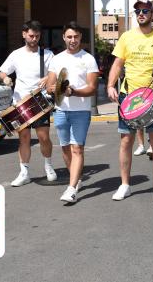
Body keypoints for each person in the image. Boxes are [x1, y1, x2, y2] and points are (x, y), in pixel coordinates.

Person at [107, 0, 153, 207]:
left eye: (145, 10)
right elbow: (118, 64)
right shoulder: (126, 37)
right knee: (126, 141)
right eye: (138, 10)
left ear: (152, 14)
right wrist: (110, 85)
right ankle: (125, 185)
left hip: (152, 96)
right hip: (128, 97)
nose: (141, 13)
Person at [46, 22, 99, 203]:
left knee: (77, 148)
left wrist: (73, 91)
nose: (73, 40)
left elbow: (92, 88)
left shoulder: (88, 59)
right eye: (69, 37)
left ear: (80, 38)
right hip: (60, 110)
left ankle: (71, 189)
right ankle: (75, 180)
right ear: (64, 38)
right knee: (66, 148)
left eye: (76, 37)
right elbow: (49, 85)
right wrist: (53, 88)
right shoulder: (57, 59)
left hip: (81, 111)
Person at [0, 20, 56, 187]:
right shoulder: (16, 54)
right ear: (24, 34)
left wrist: (47, 78)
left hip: (39, 100)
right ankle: (24, 173)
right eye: (31, 35)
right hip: (20, 102)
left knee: (43, 137)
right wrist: (6, 78)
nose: (34, 39)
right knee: (23, 138)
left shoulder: (47, 54)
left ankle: (49, 166)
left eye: (37, 36)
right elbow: (3, 71)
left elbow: (55, 72)